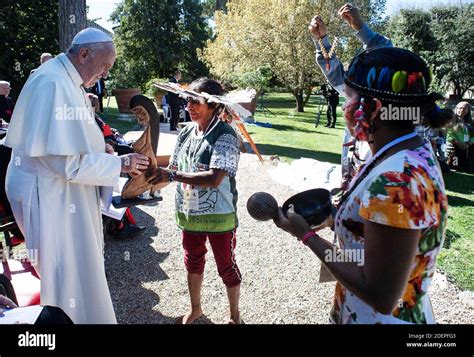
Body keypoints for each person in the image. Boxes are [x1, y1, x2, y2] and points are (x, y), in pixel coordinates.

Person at [274, 4, 453, 324]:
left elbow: (381, 292)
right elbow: (378, 251)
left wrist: (307, 237)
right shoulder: (405, 151)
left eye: (350, 98)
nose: (346, 105)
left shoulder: (398, 181)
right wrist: (337, 217)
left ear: (373, 109)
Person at [3, 28, 149, 324]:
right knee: (65, 273)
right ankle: (64, 322)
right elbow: (65, 163)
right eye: (105, 66)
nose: (106, 74)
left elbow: (72, 139)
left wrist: (101, 148)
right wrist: (118, 164)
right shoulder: (53, 83)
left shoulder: (65, 78)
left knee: (77, 269)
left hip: (57, 190)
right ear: (84, 54)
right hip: (49, 193)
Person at [146, 78, 242, 324]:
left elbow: (214, 178)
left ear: (213, 105)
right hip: (189, 211)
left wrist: (171, 175)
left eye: (196, 101)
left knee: (227, 267)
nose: (190, 105)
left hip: (219, 216)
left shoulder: (226, 134)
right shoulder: (187, 130)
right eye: (188, 100)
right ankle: (196, 308)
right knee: (192, 261)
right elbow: (175, 167)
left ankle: (235, 316)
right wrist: (149, 181)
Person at [309, 4, 392, 190]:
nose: (345, 107)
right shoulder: (356, 99)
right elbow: (334, 73)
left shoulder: (391, 120)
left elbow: (385, 50)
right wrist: (321, 40)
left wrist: (360, 26)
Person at [446, 101, 473, 172]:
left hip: (467, 147)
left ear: (468, 110)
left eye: (464, 108)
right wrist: (459, 143)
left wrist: (469, 143)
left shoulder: (471, 122)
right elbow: (449, 135)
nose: (461, 110)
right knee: (454, 166)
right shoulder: (451, 120)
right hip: (454, 146)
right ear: (456, 109)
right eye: (459, 108)